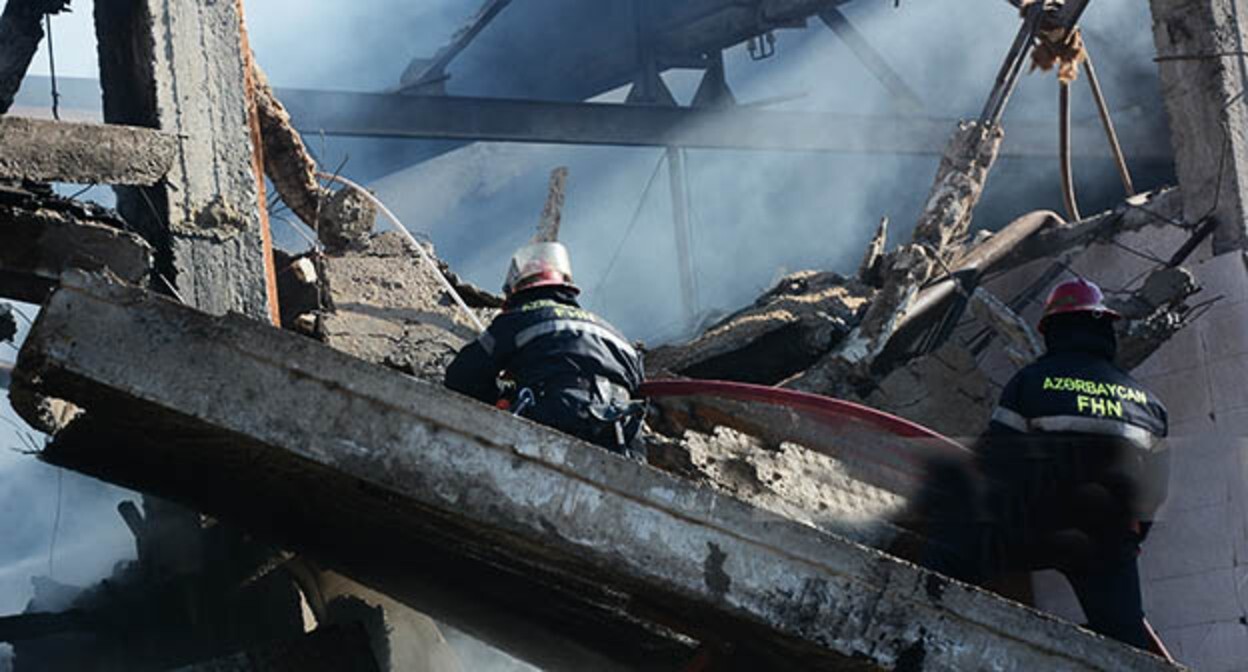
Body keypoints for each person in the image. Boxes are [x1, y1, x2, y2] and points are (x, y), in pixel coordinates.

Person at [921, 278, 1169, 650]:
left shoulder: (1031, 382)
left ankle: (924, 638)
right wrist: (1129, 541)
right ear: (1105, 328)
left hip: (1035, 523)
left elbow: (995, 461)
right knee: (1126, 637)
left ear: (1052, 330)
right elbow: (1155, 491)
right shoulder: (1149, 402)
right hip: (1106, 539)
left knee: (945, 556)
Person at [444, 241, 646, 459]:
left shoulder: (519, 317)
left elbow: (462, 376)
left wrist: (502, 397)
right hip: (620, 434)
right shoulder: (615, 334)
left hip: (557, 420)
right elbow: (640, 392)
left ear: (517, 290)